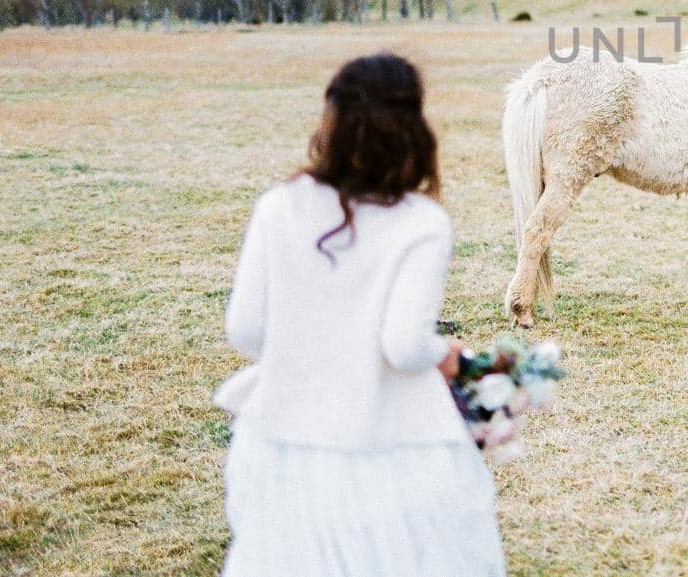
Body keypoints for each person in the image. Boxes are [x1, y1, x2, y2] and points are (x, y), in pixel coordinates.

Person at [214, 53, 506, 577]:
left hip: (285, 433)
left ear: (331, 122)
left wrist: (313, 350)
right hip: (389, 436)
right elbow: (405, 345)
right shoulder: (421, 222)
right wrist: (453, 355)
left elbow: (245, 329)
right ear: (414, 131)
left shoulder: (280, 205)